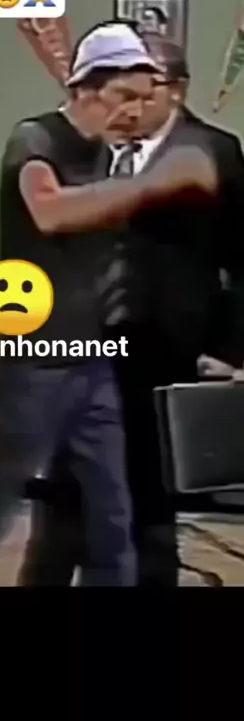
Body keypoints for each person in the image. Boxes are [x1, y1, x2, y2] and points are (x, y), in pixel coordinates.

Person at [0, 23, 215, 588]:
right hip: (35, 364)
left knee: (112, 514)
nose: (134, 111)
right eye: (123, 96)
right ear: (86, 90)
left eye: (142, 98)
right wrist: (155, 184)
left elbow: (122, 156)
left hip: (94, 361)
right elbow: (51, 211)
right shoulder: (32, 141)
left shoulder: (106, 151)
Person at [18, 32, 244, 588]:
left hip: (166, 356)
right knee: (63, 501)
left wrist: (232, 351)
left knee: (149, 509)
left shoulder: (215, 151)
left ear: (175, 90)